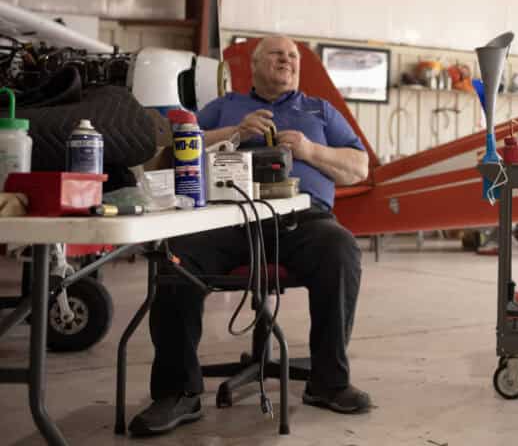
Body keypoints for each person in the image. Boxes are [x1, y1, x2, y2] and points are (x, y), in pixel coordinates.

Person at [129, 36, 371, 437]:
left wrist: (311, 151)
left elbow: (359, 167)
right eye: (277, 53)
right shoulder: (225, 107)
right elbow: (172, 151)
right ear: (254, 66)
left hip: (301, 220)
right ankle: (178, 392)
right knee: (175, 256)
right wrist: (233, 133)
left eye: (293, 56)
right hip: (226, 219)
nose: (287, 60)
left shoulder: (319, 110)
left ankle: (328, 382)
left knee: (340, 249)